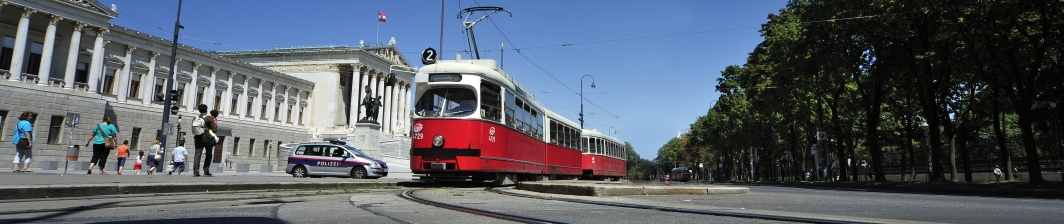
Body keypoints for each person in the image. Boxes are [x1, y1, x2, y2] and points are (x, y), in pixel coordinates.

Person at [191, 104, 218, 177]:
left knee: (197, 154)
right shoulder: (209, 118)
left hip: (198, 137)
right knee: (208, 154)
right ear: (206, 110)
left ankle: (196, 171)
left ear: (199, 110)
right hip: (207, 138)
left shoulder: (195, 118)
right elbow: (214, 129)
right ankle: (206, 171)